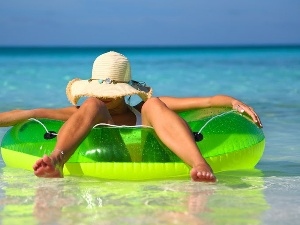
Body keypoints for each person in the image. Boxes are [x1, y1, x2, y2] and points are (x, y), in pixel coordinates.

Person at [0, 51, 262, 182]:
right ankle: (56, 160)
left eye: (109, 91)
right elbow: (29, 114)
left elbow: (206, 101)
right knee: (91, 107)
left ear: (125, 91)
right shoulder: (87, 110)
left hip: (154, 157)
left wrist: (234, 102)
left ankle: (199, 163)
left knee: (155, 104)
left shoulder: (142, 109)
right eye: (98, 90)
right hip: (92, 160)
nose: (103, 96)